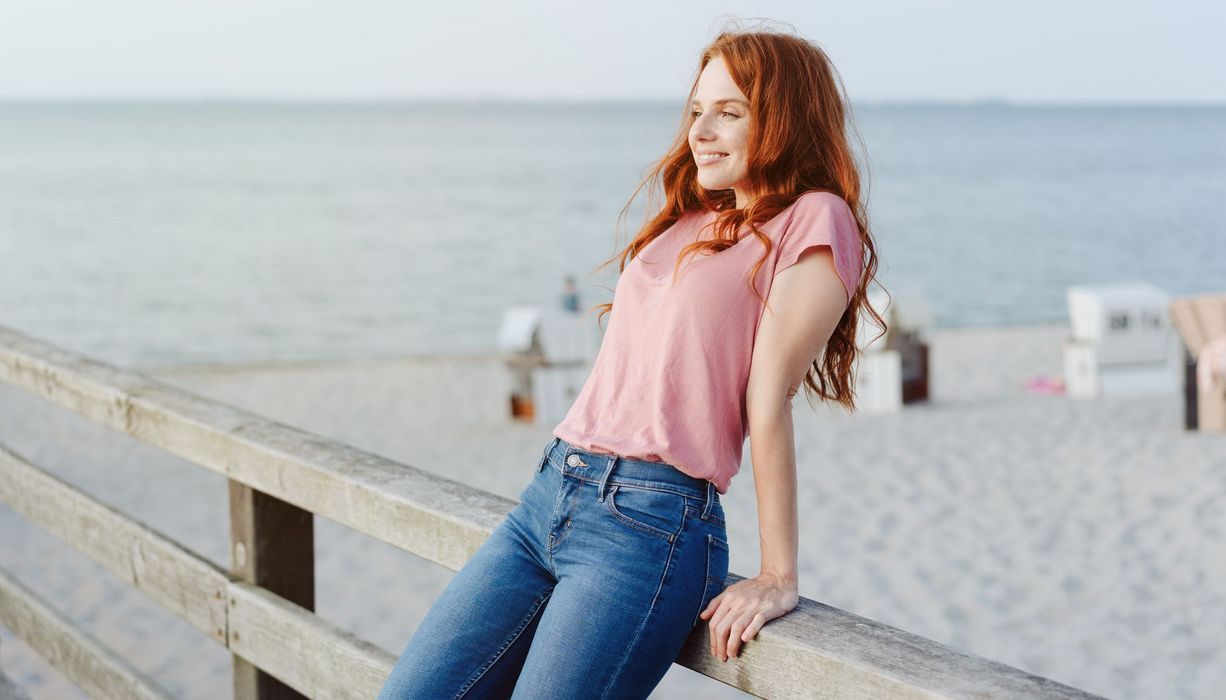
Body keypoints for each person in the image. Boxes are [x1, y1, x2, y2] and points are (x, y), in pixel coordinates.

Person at [378, 22, 884, 699]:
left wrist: (778, 574)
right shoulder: (694, 218)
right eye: (698, 111)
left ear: (787, 120)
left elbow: (769, 397)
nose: (700, 130)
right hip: (549, 496)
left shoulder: (814, 219)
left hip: (649, 524)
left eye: (730, 113)